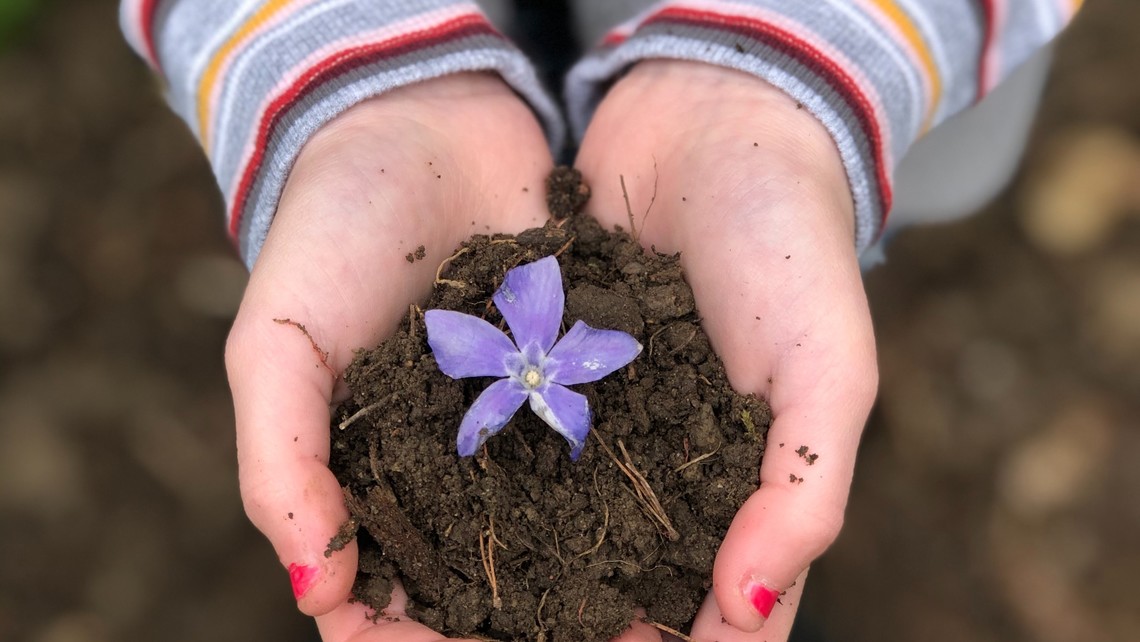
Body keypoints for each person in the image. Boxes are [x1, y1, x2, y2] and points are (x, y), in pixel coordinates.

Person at [120, 1, 1082, 640]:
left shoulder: (577, 375)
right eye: (530, 376)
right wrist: (344, 83)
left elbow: (584, 386)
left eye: (538, 375)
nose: (535, 379)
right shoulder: (487, 363)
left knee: (908, 182)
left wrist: (790, 73)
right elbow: (492, 402)